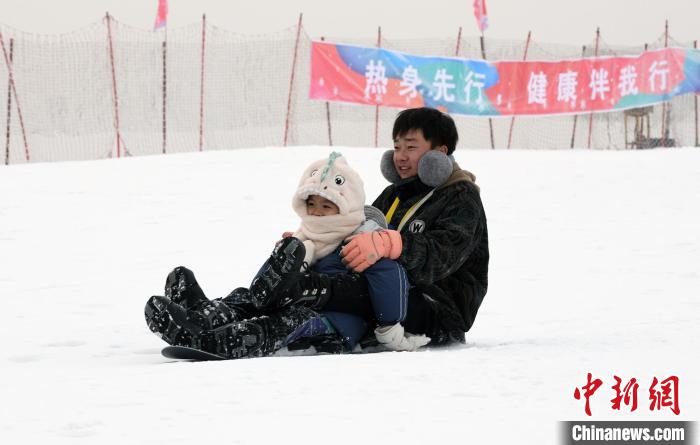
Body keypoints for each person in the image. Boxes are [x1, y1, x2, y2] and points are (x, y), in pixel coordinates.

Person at [145, 152, 428, 358]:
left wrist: (390, 326)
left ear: (346, 208)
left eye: (326, 207)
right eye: (312, 204)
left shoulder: (359, 243)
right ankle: (205, 314)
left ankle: (218, 340)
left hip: (335, 321)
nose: (316, 212)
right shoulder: (304, 239)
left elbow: (391, 278)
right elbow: (263, 292)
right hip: (293, 300)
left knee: (284, 322)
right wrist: (286, 260)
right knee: (249, 298)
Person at [339, 107, 489, 344]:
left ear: (439, 152)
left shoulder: (461, 196)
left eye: (410, 147)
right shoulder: (394, 194)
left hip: (438, 311)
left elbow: (443, 254)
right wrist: (317, 241)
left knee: (337, 292)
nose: (400, 156)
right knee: (329, 281)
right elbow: (356, 228)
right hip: (390, 291)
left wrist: (391, 244)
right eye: (397, 147)